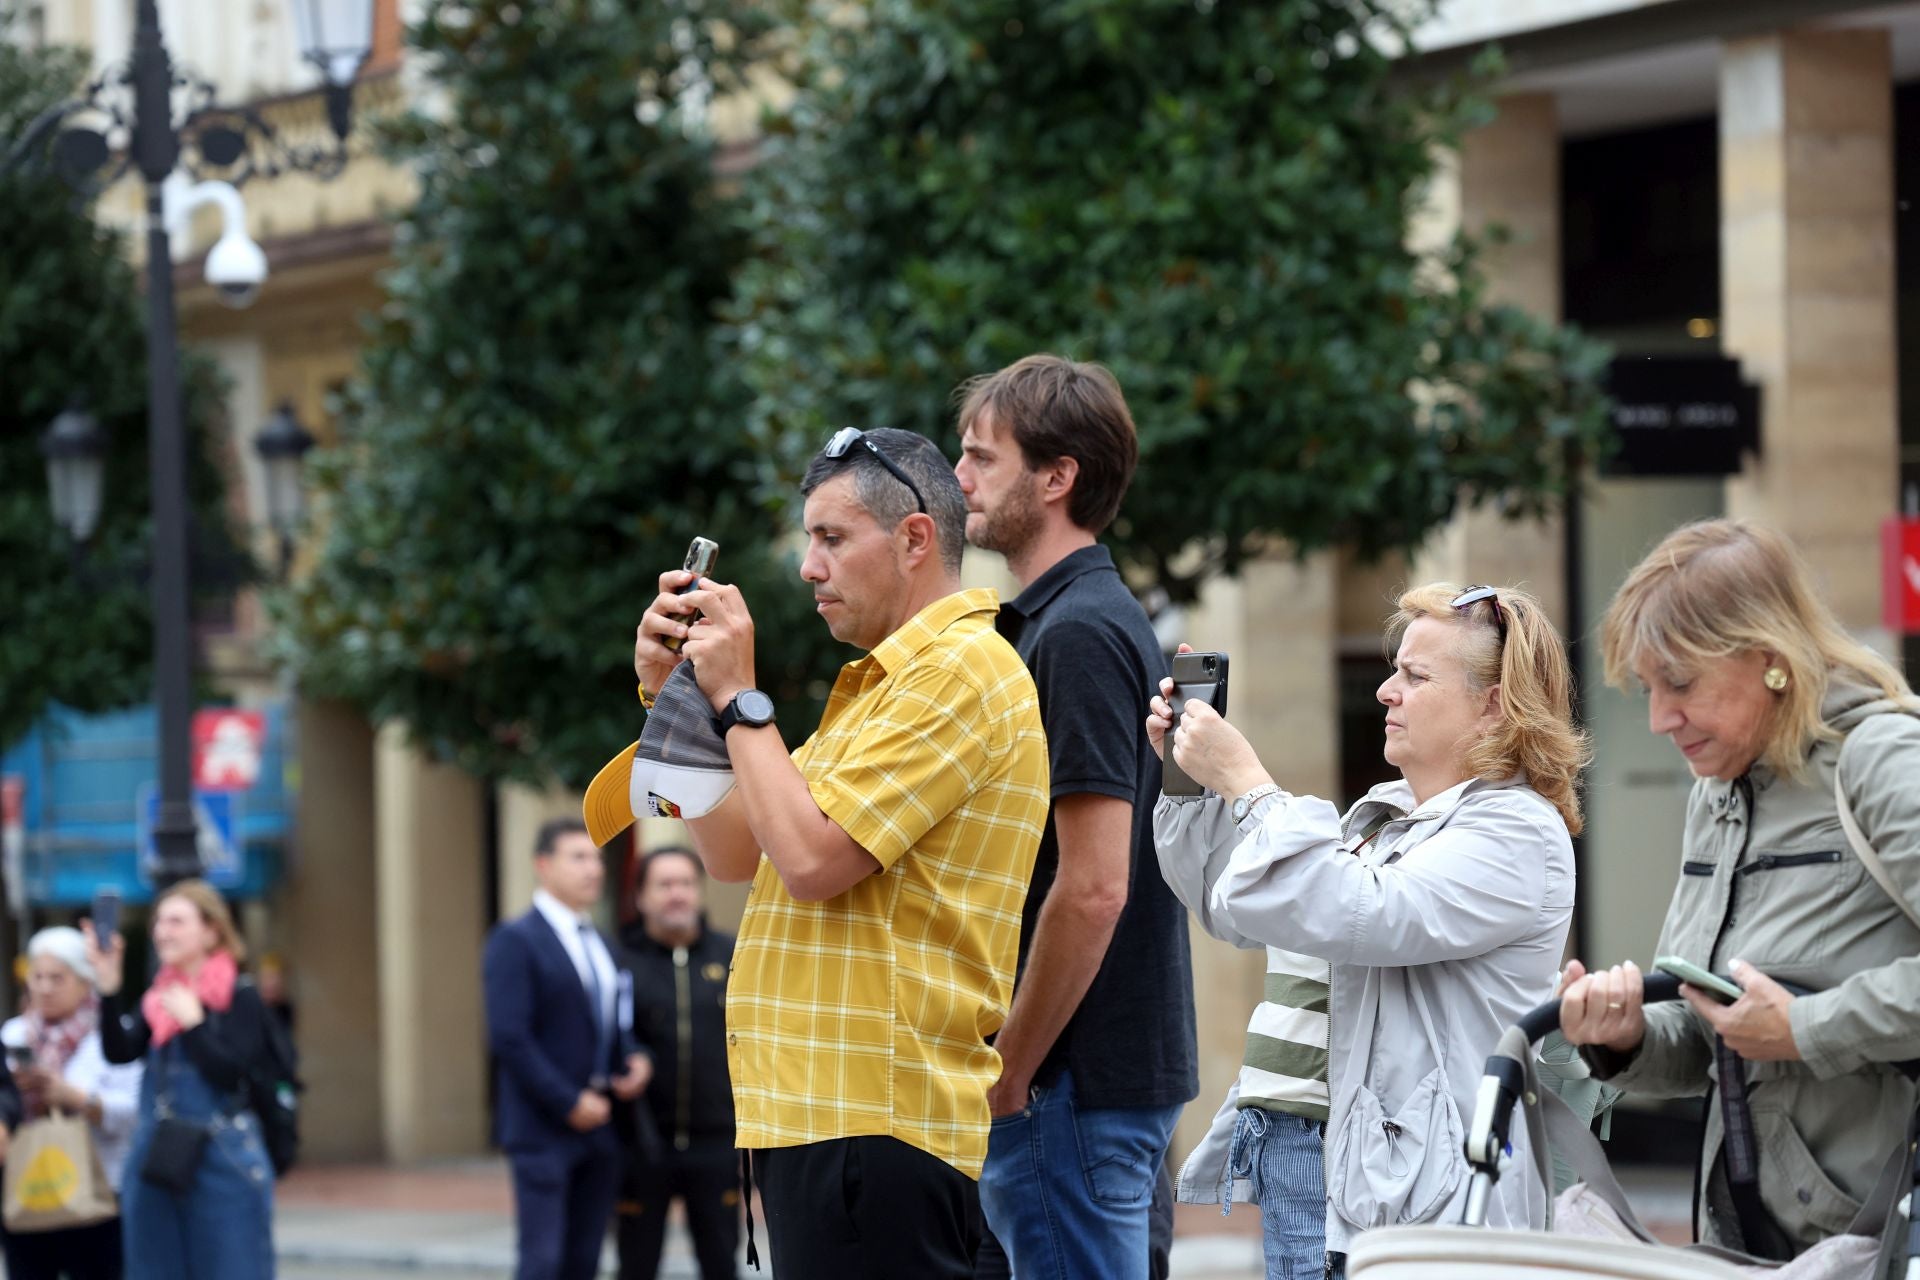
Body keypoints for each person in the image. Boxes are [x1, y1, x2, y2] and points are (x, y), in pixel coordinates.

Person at [607, 426, 1049, 1279]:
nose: (809, 567)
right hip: (832, 1118)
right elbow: (738, 850)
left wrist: (739, 697)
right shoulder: (884, 687)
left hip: (874, 1119)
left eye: (832, 538)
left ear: (914, 539)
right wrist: (677, 697)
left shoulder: (961, 671)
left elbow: (810, 863)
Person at [1153, 583, 1585, 1278]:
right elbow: (1236, 905)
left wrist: (1247, 782)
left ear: (1492, 704)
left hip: (1421, 1197)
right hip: (1315, 1161)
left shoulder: (1517, 829)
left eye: (1415, 676)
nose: (1387, 692)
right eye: (1394, 671)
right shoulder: (1385, 816)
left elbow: (1362, 911)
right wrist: (1192, 785)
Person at [1558, 519, 1920, 1259]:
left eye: (1680, 683)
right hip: (1758, 1245)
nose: (1659, 719)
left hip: (1885, 1237)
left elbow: (1781, 1028)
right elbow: (1709, 1037)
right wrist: (1623, 1038)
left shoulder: (1880, 759)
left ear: (1770, 659)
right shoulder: (1717, 792)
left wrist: (1808, 1027)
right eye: (1648, 689)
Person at [952, 355, 1197, 1280]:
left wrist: (1012, 1069)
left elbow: (1094, 887)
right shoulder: (1066, 619)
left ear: (1057, 478)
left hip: (1068, 1084)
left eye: (984, 458)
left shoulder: (1079, 632)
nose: (961, 477)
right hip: (1078, 1084)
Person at [484, 818, 653, 1280]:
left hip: (603, 1125)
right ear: (543, 865)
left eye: (597, 859)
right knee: (542, 1261)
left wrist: (636, 1057)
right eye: (578, 857)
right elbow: (509, 1037)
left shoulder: (602, 943)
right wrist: (568, 1101)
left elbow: (616, 1022)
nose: (593, 869)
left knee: (585, 1260)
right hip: (543, 1128)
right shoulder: (515, 940)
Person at [86, 879, 278, 1280]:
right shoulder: (158, 997)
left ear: (211, 931)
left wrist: (194, 1025)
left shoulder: (240, 996)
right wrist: (109, 988)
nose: (162, 931)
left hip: (223, 1160)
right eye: (159, 921)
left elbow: (235, 1075)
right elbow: (119, 1053)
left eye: (176, 921)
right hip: (159, 1156)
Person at [614, 846, 738, 1280]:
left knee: (722, 1263)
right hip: (643, 1143)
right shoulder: (619, 961)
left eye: (686, 883)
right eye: (664, 885)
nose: (677, 894)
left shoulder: (732, 955)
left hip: (717, 1143)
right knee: (636, 1265)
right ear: (640, 897)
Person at [0, 927, 143, 1280]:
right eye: (38, 977)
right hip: (28, 1188)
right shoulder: (12, 1035)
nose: (45, 988)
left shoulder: (114, 1035)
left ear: (85, 982)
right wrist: (17, 1098)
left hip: (98, 1190)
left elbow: (136, 1110)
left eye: (57, 978)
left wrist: (76, 1099)